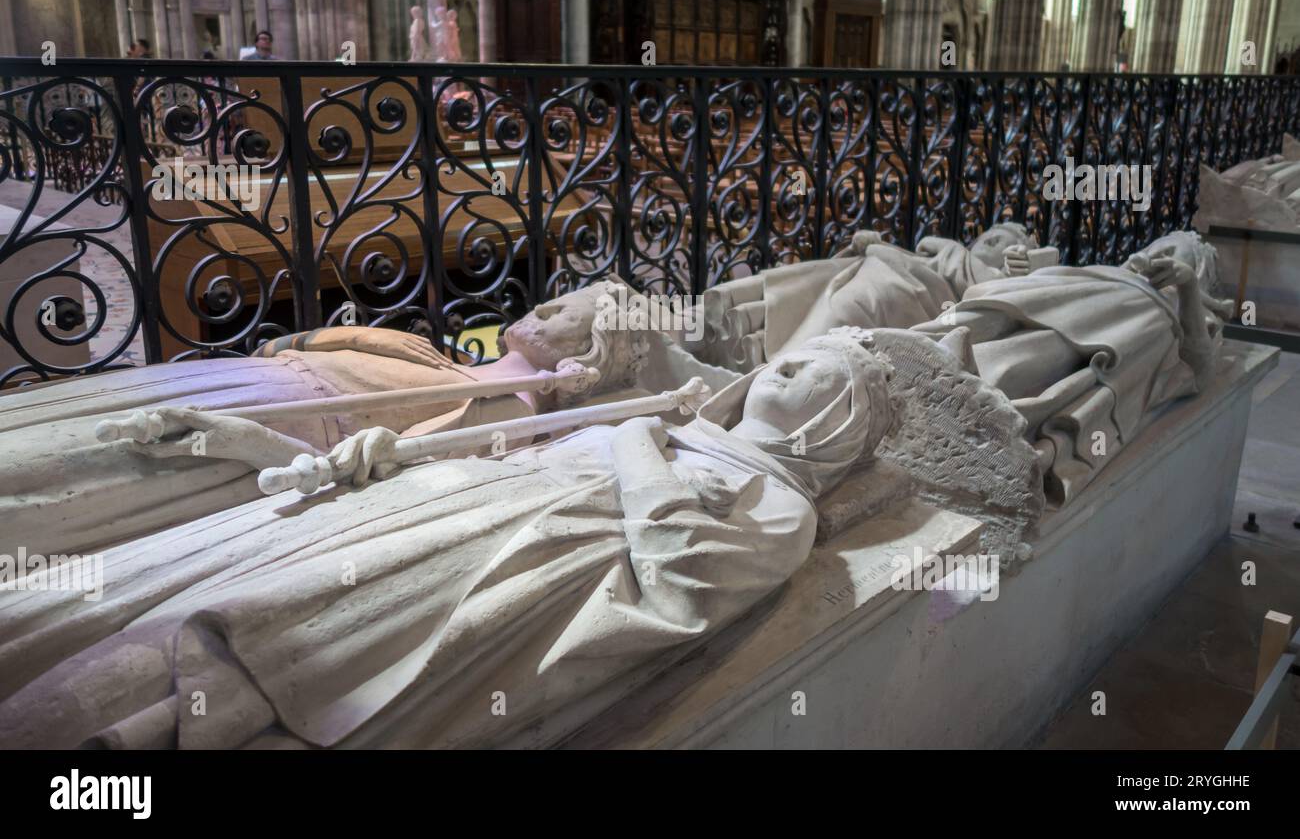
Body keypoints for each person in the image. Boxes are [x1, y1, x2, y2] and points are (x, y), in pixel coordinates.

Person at [0, 330, 896, 749]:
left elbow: (686, 579)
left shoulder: (782, 503)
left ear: (840, 421)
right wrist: (370, 458)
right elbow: (483, 457)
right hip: (420, 512)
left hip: (489, 569)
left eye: (818, 367)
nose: (790, 359)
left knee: (214, 667)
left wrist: (636, 447)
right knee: (129, 629)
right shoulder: (674, 426)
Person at [0, 282, 651, 557]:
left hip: (267, 422)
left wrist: (250, 442)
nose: (548, 301)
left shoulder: (505, 409)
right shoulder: (448, 361)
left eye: (569, 310)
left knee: (46, 472)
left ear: (585, 356)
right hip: (244, 382)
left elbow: (365, 473)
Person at [912, 231, 1230, 506]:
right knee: (1013, 307)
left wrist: (1186, 286)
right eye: (1154, 247)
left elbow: (1200, 369)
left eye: (1170, 253)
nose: (1153, 254)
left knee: (1048, 346)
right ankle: (926, 353)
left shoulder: (1186, 309)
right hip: (1073, 298)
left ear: (1195, 270)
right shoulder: (1106, 272)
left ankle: (971, 392)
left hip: (1122, 326)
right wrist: (1028, 266)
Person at [695, 222, 1041, 371]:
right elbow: (915, 254)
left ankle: (776, 372)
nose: (988, 241)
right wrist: (872, 244)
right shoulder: (949, 251)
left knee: (842, 311)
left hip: (909, 294)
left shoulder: (994, 279)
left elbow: (994, 300)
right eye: (988, 235)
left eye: (1000, 241)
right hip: (881, 268)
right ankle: (744, 344)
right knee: (814, 283)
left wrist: (1019, 269)